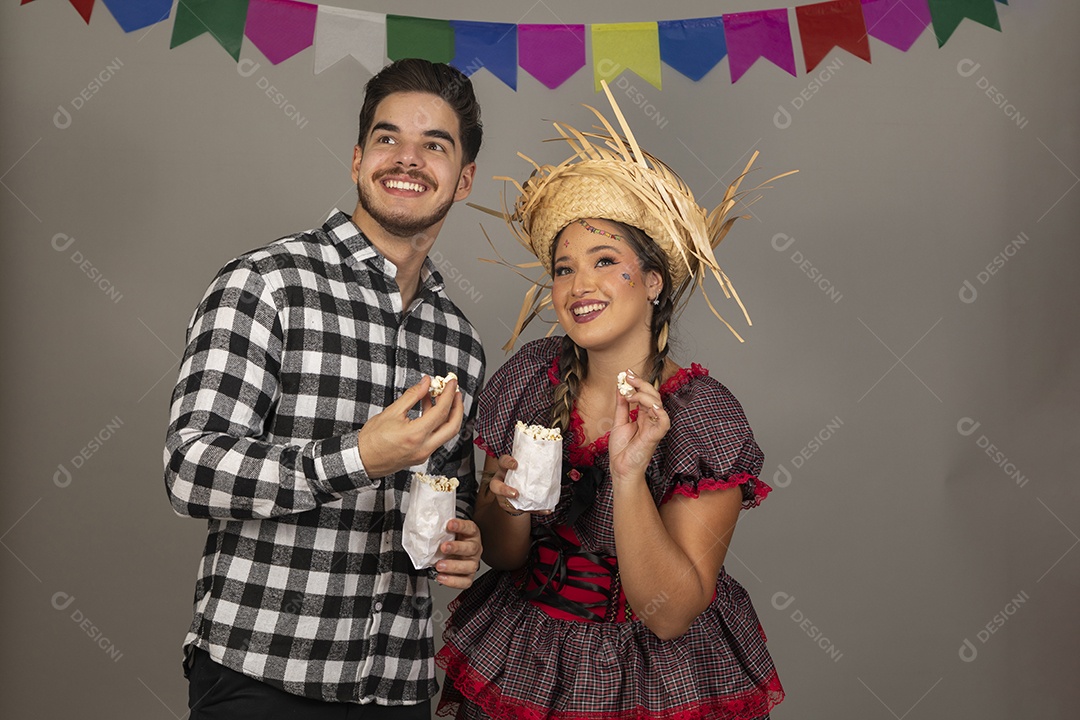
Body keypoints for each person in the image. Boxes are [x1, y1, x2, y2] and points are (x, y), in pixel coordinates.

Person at [436, 83, 792, 719]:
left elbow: (672, 613)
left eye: (605, 261)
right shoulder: (530, 376)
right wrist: (507, 504)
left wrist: (629, 478)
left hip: (649, 676)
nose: (580, 285)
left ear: (653, 282)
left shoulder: (704, 417)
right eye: (565, 268)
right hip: (527, 652)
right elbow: (505, 553)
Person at [164, 58, 487, 719]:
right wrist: (358, 457)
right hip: (261, 677)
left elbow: (448, 500)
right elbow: (189, 470)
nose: (408, 159)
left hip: (397, 688)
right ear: (357, 158)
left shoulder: (460, 344)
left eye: (435, 145)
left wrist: (464, 540)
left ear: (464, 179)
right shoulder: (266, 284)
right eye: (388, 137)